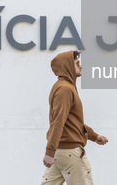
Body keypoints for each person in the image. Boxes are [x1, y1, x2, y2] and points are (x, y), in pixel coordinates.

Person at [41, 50, 108, 185]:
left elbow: (73, 122)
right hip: (69, 153)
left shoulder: (64, 87)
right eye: (77, 64)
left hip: (60, 153)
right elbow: (58, 121)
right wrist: (49, 152)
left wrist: (94, 136)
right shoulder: (65, 89)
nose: (81, 66)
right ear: (68, 67)